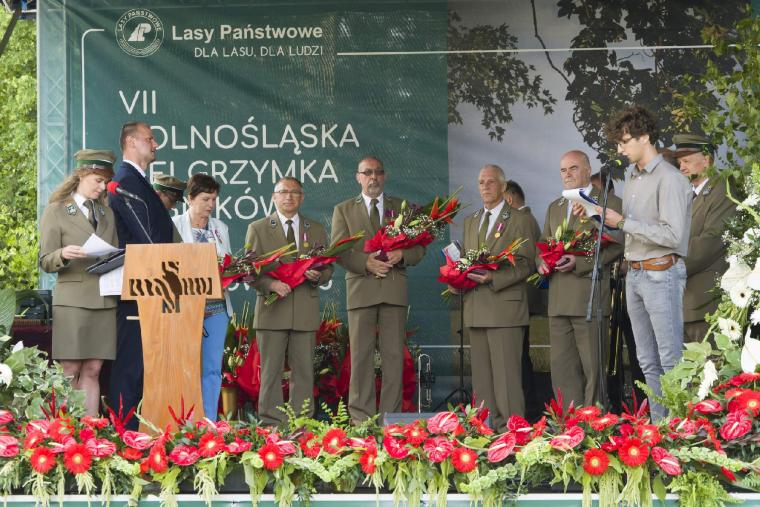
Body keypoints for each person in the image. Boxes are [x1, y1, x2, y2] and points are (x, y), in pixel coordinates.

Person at [598, 106, 691, 420]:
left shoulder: (670, 178)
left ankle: (677, 432)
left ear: (645, 137)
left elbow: (673, 235)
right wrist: (602, 218)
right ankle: (658, 428)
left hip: (662, 273)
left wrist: (623, 222)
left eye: (624, 141)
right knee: (647, 361)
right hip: (636, 274)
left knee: (670, 360)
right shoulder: (632, 177)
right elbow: (632, 229)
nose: (620, 149)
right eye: (618, 143)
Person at [331, 156, 426, 424]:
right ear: (358, 177)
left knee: (394, 358)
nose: (373, 177)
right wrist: (366, 263)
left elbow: (420, 249)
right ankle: (360, 421)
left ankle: (390, 419)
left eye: (378, 172)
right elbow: (337, 251)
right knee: (360, 357)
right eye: (367, 173)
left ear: (385, 176)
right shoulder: (343, 209)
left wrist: (402, 255)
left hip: (393, 292)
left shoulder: (403, 208)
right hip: (361, 290)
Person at [451, 164, 536, 430]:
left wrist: (494, 278)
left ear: (503, 186)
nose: (485, 186)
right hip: (476, 308)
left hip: (505, 309)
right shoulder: (471, 221)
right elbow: (467, 262)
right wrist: (457, 279)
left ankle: (512, 433)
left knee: (507, 381)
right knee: (483, 382)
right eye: (481, 182)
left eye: (491, 181)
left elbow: (528, 263)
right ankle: (485, 431)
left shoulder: (520, 219)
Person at [245, 177, 333, 426]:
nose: (289, 197)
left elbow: (328, 267)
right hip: (272, 310)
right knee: (270, 373)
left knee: (304, 372)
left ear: (302, 198)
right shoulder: (258, 228)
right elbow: (249, 271)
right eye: (283, 192)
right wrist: (270, 285)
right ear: (274, 197)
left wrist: (318, 276)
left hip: (304, 311)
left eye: (294, 192)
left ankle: (301, 424)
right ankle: (271, 423)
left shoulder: (316, 229)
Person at [539, 150, 623, 408]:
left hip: (589, 297)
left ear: (587, 170)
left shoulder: (608, 202)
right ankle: (569, 423)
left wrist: (581, 263)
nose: (567, 174)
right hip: (558, 300)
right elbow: (543, 243)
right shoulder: (555, 206)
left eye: (573, 168)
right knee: (562, 369)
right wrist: (541, 261)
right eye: (563, 170)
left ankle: (593, 423)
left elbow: (619, 244)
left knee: (593, 370)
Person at [39, 149, 119, 416]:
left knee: (93, 370)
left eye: (106, 181)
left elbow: (113, 253)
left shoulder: (107, 213)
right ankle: (66, 431)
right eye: (98, 180)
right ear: (82, 174)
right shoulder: (57, 211)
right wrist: (62, 253)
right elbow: (45, 260)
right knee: (69, 370)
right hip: (72, 303)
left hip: (104, 301)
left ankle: (90, 431)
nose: (103, 187)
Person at [109, 121, 177, 428]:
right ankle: (124, 433)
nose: (155, 144)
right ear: (131, 142)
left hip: (152, 283)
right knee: (131, 365)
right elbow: (145, 237)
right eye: (150, 138)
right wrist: (167, 266)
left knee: (143, 365)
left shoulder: (138, 181)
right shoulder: (124, 180)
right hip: (139, 283)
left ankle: (139, 431)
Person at [172, 174, 232, 420]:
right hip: (184, 306)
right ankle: (182, 420)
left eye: (214, 199)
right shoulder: (174, 225)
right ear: (190, 199)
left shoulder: (221, 228)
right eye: (206, 199)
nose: (211, 204)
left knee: (212, 368)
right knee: (183, 366)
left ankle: (208, 422)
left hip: (216, 306)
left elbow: (228, 263)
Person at [674, 133, 736, 343]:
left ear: (707, 160)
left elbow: (710, 242)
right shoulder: (686, 195)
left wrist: (666, 263)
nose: (682, 167)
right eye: (679, 162)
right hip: (682, 304)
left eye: (686, 161)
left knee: (708, 362)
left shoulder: (723, 191)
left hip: (705, 304)